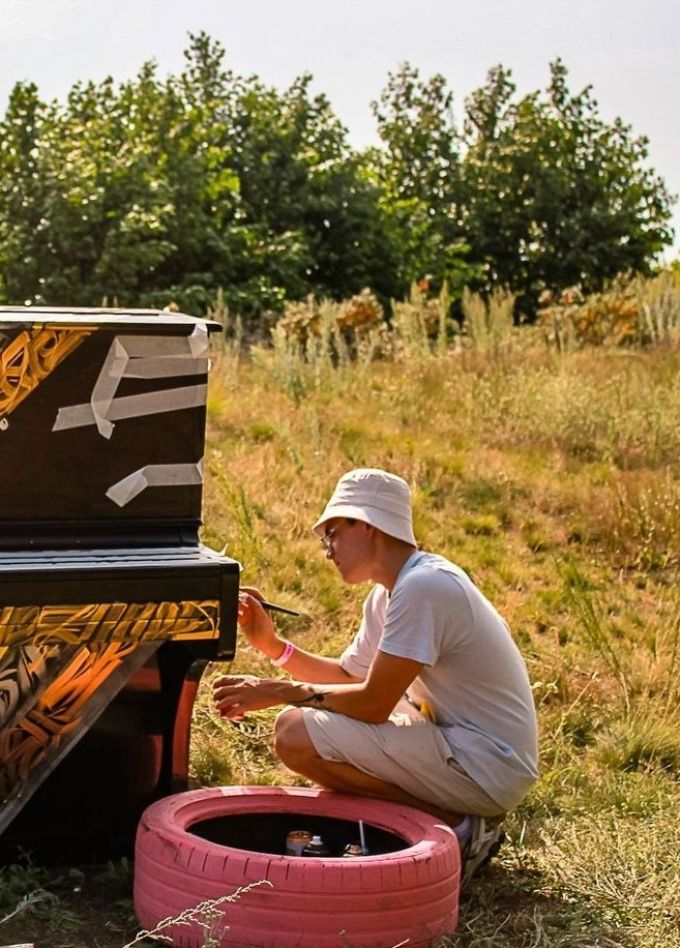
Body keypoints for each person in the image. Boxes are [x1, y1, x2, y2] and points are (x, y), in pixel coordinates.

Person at [213, 468, 538, 884]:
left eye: (331, 533)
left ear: (365, 524)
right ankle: (437, 826)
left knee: (295, 733)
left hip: (487, 764)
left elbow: (371, 704)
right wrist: (273, 646)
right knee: (306, 734)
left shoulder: (424, 587)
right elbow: (350, 676)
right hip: (468, 749)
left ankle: (459, 827)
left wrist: (281, 692)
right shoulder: (391, 592)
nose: (327, 549)